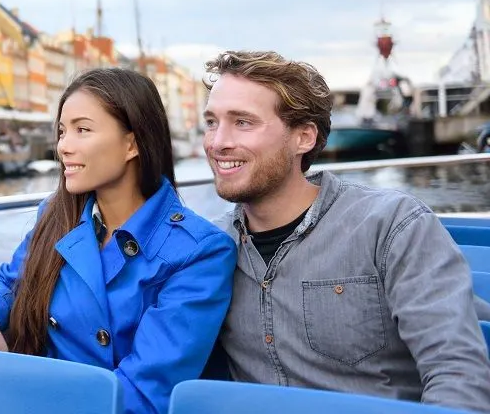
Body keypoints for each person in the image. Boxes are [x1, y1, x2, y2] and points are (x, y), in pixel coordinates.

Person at [203, 50, 490, 410]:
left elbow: (458, 374)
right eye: (211, 122)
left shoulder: (391, 226)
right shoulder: (208, 248)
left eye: (242, 122)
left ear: (304, 137)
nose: (217, 143)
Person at [0, 68, 236, 414]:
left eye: (82, 130)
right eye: (62, 131)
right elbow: (8, 284)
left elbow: (142, 395)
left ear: (131, 144)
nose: (63, 147)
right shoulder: (58, 216)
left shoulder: (200, 253)